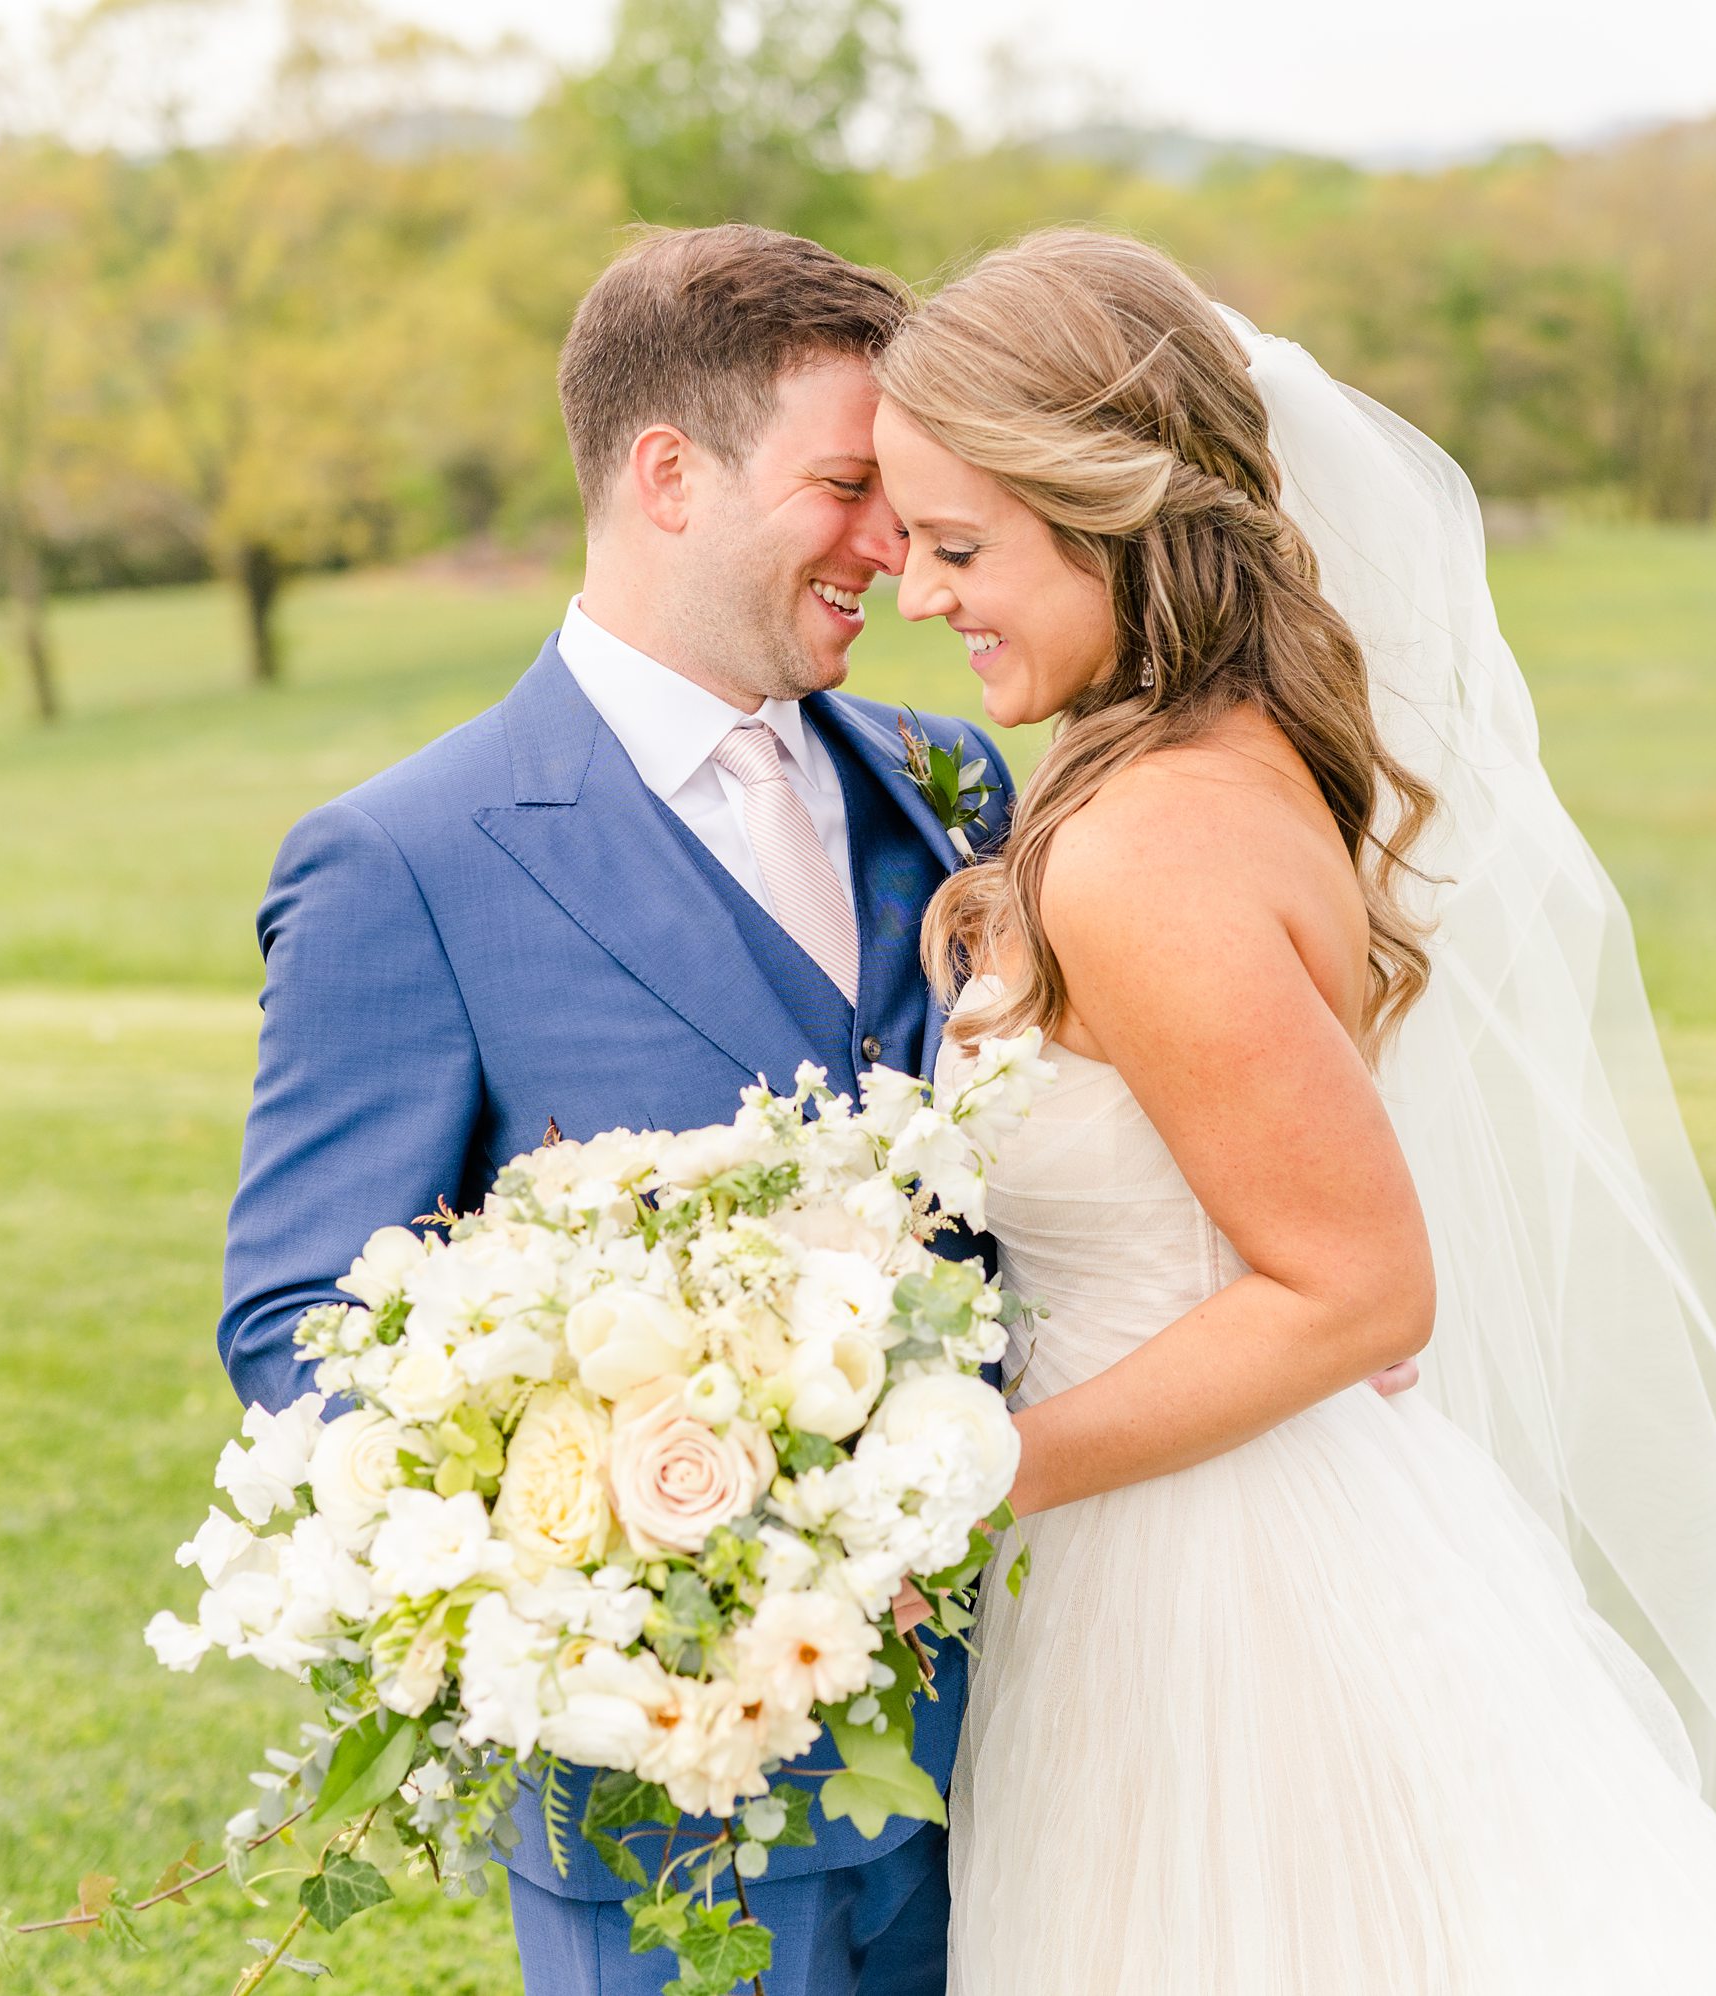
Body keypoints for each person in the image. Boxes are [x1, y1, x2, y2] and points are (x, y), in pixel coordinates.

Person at [873, 230, 1716, 1995]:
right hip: (1227, 1524)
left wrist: (968, 1476)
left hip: (1217, 1595)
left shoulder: (1142, 846)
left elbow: (1358, 1290)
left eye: (958, 547)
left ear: (1115, 516)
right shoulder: (1224, 756)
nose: (915, 593)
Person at [216, 223, 1011, 1996]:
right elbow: (298, 1328)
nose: (894, 543)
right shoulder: (403, 862)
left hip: (1041, 1740)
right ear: (670, 474)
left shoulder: (952, 781)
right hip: (683, 1805)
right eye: (847, 483)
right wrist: (619, 1501)